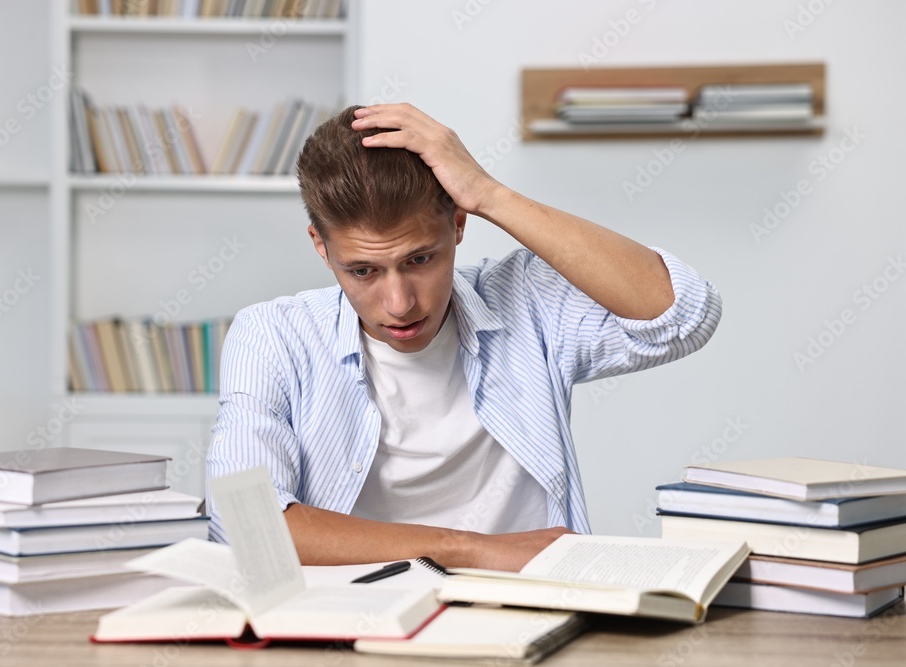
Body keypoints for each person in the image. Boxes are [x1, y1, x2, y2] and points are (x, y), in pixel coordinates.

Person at [206, 103, 721, 571]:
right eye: (362, 271)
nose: (400, 303)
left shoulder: (525, 299)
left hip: (528, 608)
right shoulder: (274, 335)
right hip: (357, 621)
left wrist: (488, 193)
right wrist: (469, 549)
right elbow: (245, 526)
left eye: (420, 260)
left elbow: (682, 316)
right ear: (320, 245)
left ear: (457, 223)